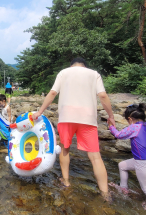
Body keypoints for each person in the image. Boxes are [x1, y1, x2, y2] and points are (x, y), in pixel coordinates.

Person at [32, 57, 115, 199]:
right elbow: (102, 95)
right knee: (95, 156)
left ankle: (66, 182)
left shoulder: (64, 73)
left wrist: (40, 112)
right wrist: (111, 116)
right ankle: (105, 193)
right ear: (85, 66)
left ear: (72, 65)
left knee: (65, 149)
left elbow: (52, 93)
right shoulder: (94, 74)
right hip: (88, 118)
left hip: (66, 117)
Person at [108, 104, 146, 209]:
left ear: (130, 119)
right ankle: (123, 188)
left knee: (145, 188)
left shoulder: (134, 127)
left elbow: (118, 135)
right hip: (140, 160)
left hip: (142, 162)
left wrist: (111, 127)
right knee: (122, 165)